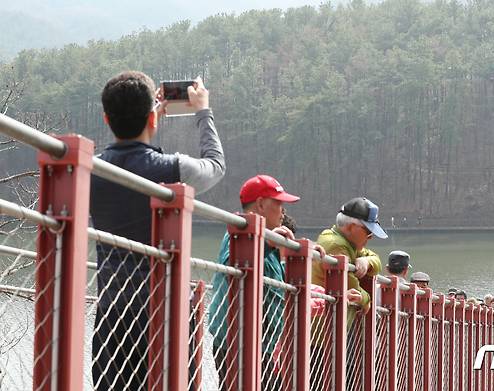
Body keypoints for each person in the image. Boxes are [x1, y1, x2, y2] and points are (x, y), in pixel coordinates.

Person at [90, 71, 226, 391]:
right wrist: (203, 111)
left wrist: (148, 120)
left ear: (106, 119)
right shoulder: (170, 169)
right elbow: (216, 166)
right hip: (166, 312)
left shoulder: (91, 171)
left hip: (113, 310)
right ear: (152, 117)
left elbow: (120, 158)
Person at [208, 175, 325, 390]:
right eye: (278, 203)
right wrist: (265, 242)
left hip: (256, 342)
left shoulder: (265, 238)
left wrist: (301, 253)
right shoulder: (240, 229)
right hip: (237, 341)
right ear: (261, 204)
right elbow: (232, 265)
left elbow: (271, 276)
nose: (283, 211)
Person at [313, 197, 386, 325]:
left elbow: (377, 260)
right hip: (320, 332)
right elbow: (352, 288)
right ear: (352, 227)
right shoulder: (336, 245)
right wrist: (366, 300)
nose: (371, 237)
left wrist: (367, 261)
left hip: (329, 329)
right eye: (369, 231)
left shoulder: (348, 243)